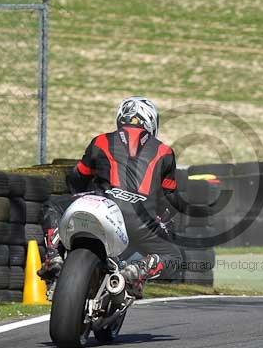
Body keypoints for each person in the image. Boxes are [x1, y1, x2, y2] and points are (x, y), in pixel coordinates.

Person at [39, 96, 183, 298]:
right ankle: (139, 269)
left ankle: (54, 256)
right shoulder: (165, 152)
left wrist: (79, 194)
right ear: (151, 122)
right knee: (174, 256)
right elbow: (171, 198)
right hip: (139, 222)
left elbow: (77, 178)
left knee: (51, 206)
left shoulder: (100, 141)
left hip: (102, 206)